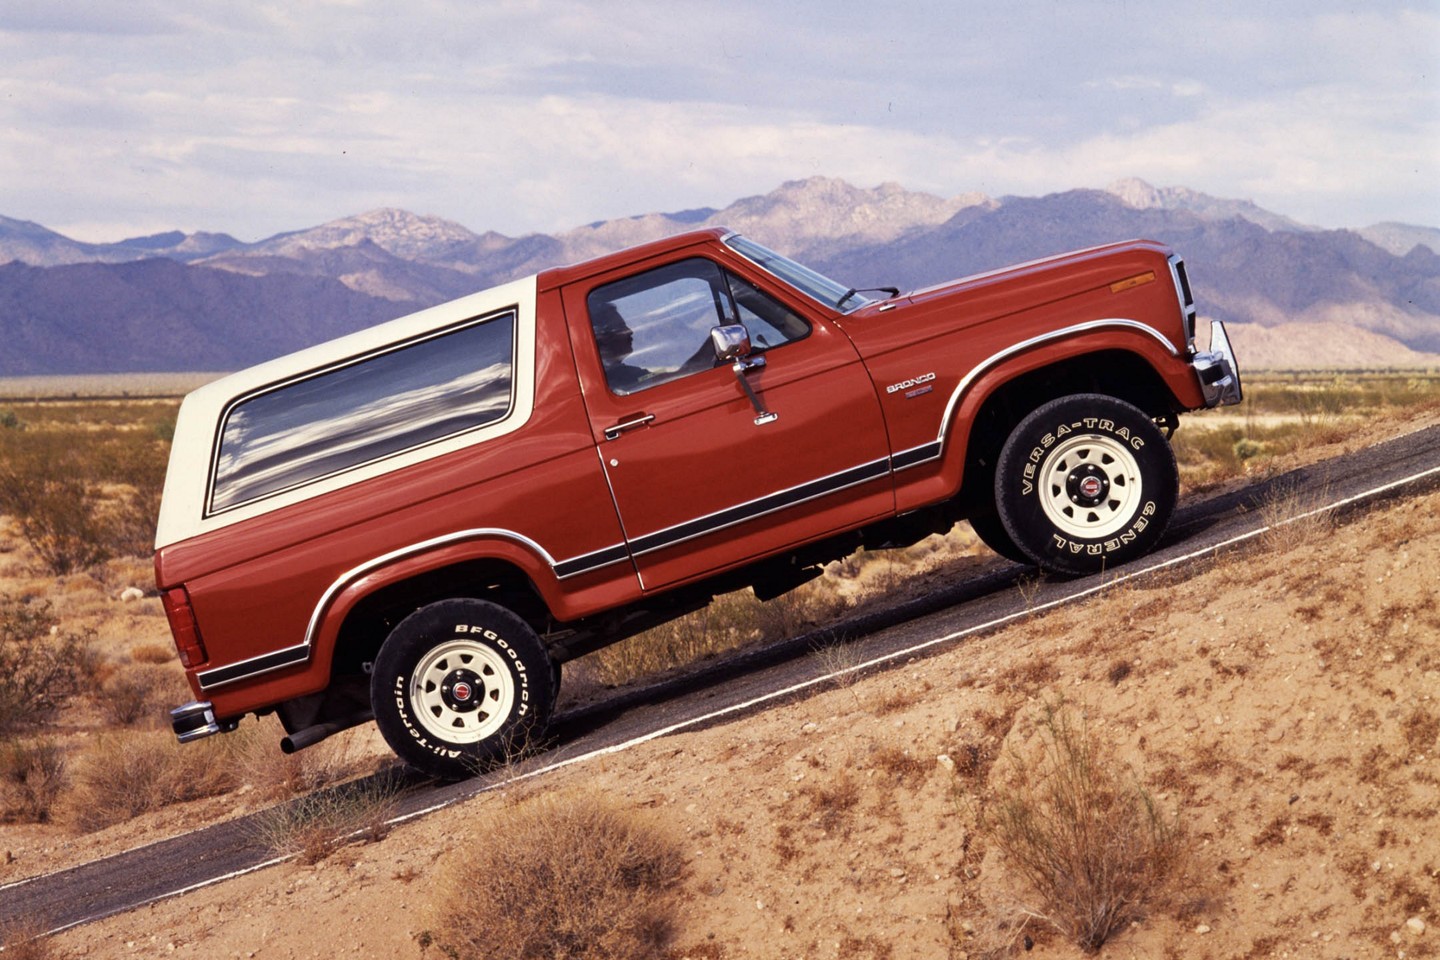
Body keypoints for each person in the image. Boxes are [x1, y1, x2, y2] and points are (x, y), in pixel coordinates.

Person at [591, 302, 649, 395]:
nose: (630, 331)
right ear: (602, 336)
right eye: (621, 327)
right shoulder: (619, 380)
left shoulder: (606, 377)